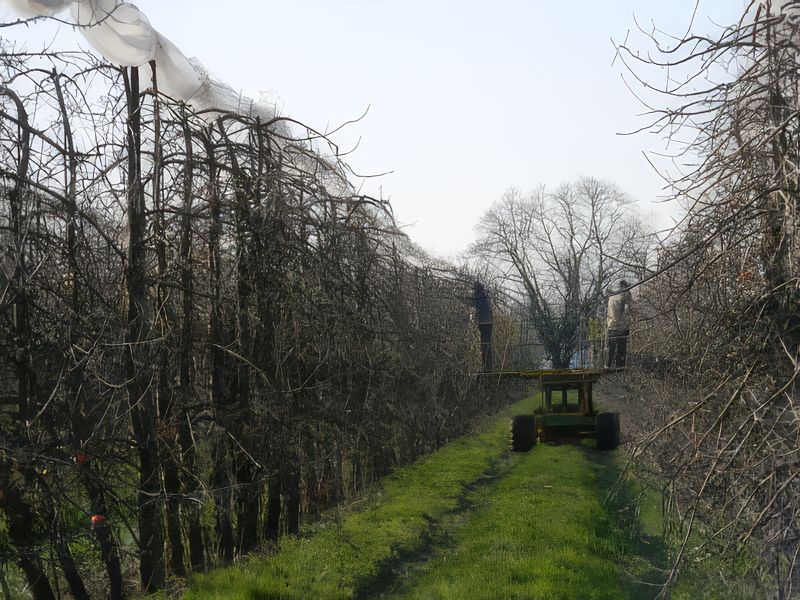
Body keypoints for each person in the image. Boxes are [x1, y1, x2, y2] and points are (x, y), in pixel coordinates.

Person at [606, 280, 632, 368]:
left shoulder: (611, 296)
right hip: (621, 328)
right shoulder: (624, 295)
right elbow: (630, 307)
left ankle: (609, 367)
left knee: (611, 350)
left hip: (611, 327)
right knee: (621, 351)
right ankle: (620, 369)